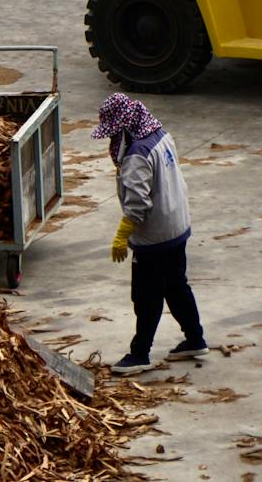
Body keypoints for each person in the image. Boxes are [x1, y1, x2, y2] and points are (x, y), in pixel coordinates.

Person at [95, 92, 207, 375]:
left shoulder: (136, 156)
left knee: (146, 296)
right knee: (176, 286)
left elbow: (137, 204)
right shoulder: (159, 135)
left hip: (155, 236)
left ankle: (140, 353)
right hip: (177, 227)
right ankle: (195, 339)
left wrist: (122, 236)